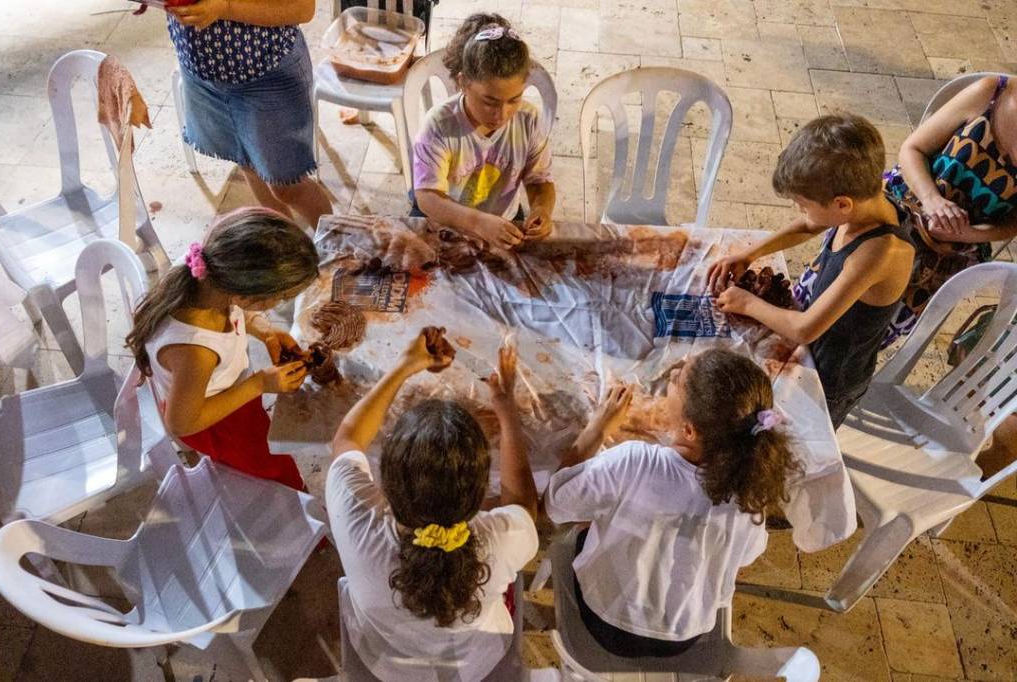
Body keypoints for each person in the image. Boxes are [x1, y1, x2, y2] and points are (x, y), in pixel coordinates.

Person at [545, 349, 802, 658]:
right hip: (684, 635)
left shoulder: (635, 461)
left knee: (589, 518)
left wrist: (597, 429)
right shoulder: (751, 485)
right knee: (612, 512)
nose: (673, 373)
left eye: (677, 380)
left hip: (606, 622)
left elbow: (556, 503)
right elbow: (745, 555)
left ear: (689, 431)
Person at [327, 335, 538, 682]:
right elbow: (523, 506)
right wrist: (505, 409)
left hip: (384, 664)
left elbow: (347, 439)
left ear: (387, 484)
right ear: (480, 494)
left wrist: (405, 366)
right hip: (476, 665)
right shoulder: (498, 540)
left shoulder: (356, 520)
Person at [707, 114, 915, 427]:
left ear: (842, 205)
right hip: (813, 351)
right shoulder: (867, 197)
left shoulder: (879, 251)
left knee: (798, 442)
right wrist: (749, 254)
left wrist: (747, 303)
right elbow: (808, 225)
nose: (800, 211)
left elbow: (806, 328)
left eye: (803, 204)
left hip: (831, 378)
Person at [126, 207, 319, 489]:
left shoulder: (206, 271)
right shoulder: (196, 351)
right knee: (273, 471)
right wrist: (258, 384)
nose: (279, 304)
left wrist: (264, 330)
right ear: (243, 294)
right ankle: (294, 505)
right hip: (217, 422)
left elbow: (239, 311)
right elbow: (180, 424)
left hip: (218, 395)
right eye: (279, 298)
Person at [167, 0, 332, 228]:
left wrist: (224, 8)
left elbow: (302, 9)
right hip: (203, 71)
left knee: (288, 186)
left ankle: (339, 250)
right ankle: (286, 249)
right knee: (249, 163)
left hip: (266, 72)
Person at [882, 74, 1017, 345]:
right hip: (901, 206)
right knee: (834, 289)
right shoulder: (991, 92)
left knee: (868, 334)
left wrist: (968, 234)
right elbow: (912, 149)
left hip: (955, 251)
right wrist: (932, 200)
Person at [412, 13, 556, 250]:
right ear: (463, 83)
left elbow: (539, 179)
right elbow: (427, 197)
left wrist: (542, 209)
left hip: (504, 219)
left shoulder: (528, 120)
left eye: (514, 99)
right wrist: (478, 223)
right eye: (489, 102)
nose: (502, 114)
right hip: (448, 223)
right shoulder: (439, 126)